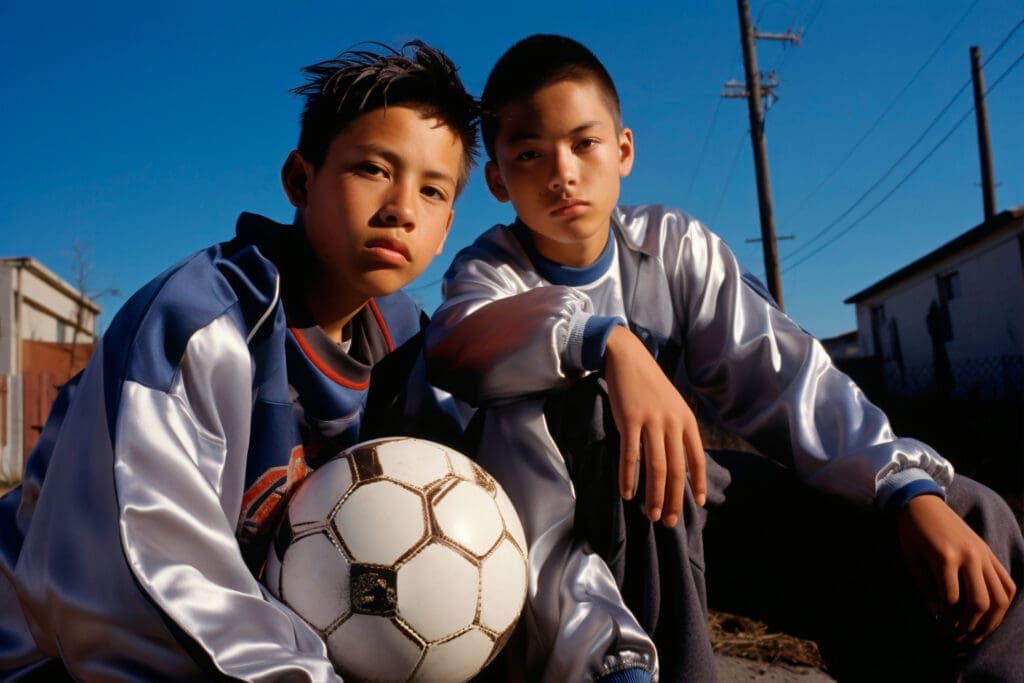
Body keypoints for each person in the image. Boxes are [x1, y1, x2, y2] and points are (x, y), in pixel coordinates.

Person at [425, 34, 1022, 682]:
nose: (562, 171)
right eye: (530, 153)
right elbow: (461, 343)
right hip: (574, 533)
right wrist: (608, 342)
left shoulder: (674, 247)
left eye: (583, 143)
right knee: (624, 437)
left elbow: (786, 378)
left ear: (623, 150)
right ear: (498, 179)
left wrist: (906, 488)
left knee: (965, 513)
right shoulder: (490, 273)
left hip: (693, 505)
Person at [0, 41, 478, 681]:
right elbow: (138, 599)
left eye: (432, 189)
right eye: (372, 169)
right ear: (300, 180)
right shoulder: (198, 326)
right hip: (48, 656)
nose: (401, 209)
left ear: (447, 227)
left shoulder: (411, 350)